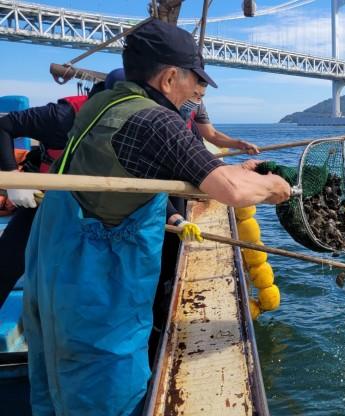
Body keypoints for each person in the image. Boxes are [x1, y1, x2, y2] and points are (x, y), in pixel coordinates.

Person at [21, 19, 291, 416]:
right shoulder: (156, 121)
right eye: (196, 82)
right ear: (168, 78)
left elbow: (162, 169)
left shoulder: (104, 102)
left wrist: (238, 173)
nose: (199, 93)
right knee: (103, 391)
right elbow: (231, 193)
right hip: (99, 288)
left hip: (51, 262)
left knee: (50, 381)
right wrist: (274, 189)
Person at [0, 70, 125, 306]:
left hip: (95, 208)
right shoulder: (61, 116)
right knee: (8, 261)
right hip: (45, 200)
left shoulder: (134, 123)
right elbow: (3, 126)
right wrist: (12, 178)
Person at [180, 81, 260, 154]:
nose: (197, 99)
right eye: (194, 94)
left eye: (201, 96)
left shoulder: (198, 105)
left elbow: (212, 135)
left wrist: (240, 144)